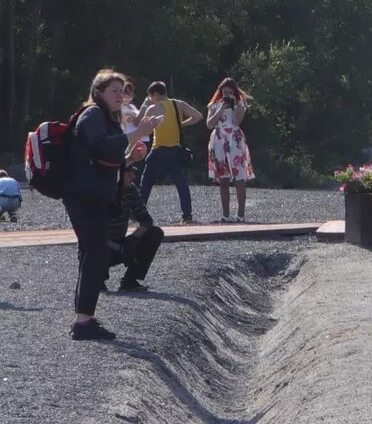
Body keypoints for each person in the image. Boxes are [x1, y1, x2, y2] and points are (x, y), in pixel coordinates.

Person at [67, 69, 149, 338]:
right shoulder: (92, 114)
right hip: (85, 195)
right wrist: (137, 133)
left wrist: (130, 157)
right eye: (114, 90)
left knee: (92, 254)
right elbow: (99, 147)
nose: (120, 95)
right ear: (98, 92)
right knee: (95, 255)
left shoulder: (104, 117)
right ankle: (82, 321)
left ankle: (83, 317)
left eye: (122, 90)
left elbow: (105, 159)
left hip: (91, 194)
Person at [134, 81, 202, 225]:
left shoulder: (153, 108)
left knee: (146, 182)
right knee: (181, 183)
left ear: (155, 95)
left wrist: (145, 106)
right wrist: (181, 124)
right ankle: (187, 215)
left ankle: (138, 213)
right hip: (174, 150)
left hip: (158, 149)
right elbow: (198, 116)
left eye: (150, 97)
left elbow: (143, 128)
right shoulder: (179, 104)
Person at [205, 78, 255, 220]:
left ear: (234, 93)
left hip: (234, 138)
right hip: (219, 138)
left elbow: (236, 122)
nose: (226, 95)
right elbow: (209, 124)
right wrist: (221, 108)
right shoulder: (214, 105)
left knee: (239, 177)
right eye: (224, 92)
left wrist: (233, 107)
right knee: (223, 178)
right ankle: (225, 215)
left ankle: (241, 214)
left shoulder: (240, 105)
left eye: (230, 92)